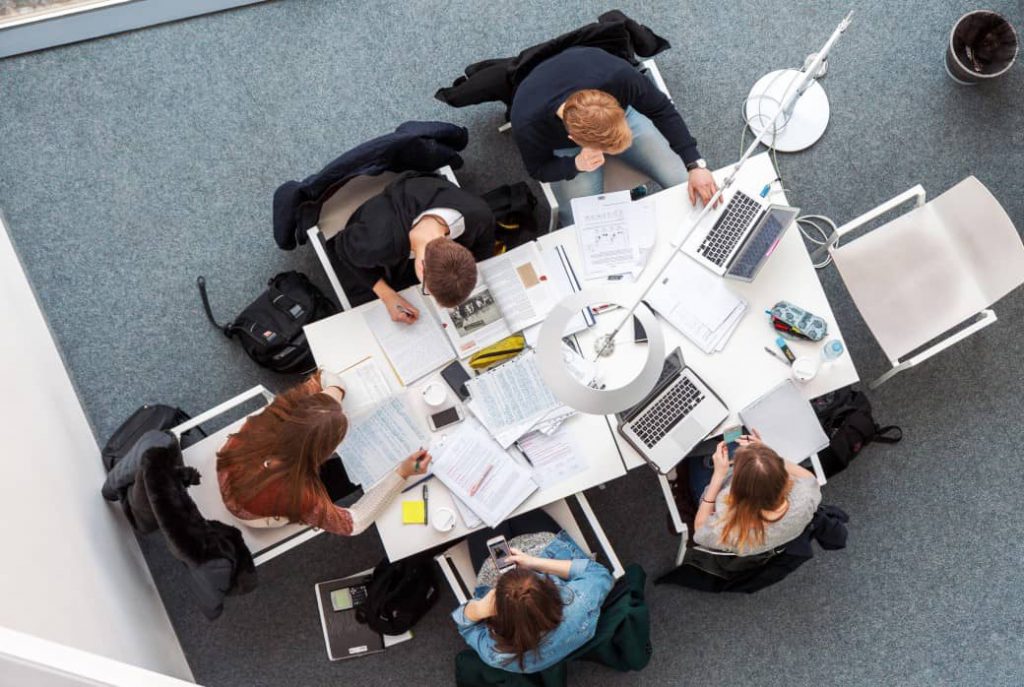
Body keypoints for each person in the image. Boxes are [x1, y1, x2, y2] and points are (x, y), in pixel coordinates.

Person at [509, 45, 720, 227]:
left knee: (689, 184)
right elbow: (538, 169)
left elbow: (662, 109)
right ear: (574, 138)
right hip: (565, 148)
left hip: (616, 113)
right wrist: (576, 164)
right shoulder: (527, 123)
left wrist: (694, 164)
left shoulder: (620, 77)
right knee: (581, 225)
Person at [216, 371, 430, 535]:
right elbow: (355, 523)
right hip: (254, 514)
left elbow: (326, 376)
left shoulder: (276, 415)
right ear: (322, 455)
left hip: (232, 464)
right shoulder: (300, 495)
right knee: (346, 477)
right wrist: (402, 472)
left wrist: (334, 393)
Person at [452, 510, 614, 673]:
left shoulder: (500, 655)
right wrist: (534, 563)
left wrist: (479, 609)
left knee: (483, 515)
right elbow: (598, 573)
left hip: (502, 565)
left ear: (499, 611)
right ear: (549, 589)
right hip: (544, 551)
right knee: (509, 505)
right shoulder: (580, 603)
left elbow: (466, 627)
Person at [330, 172, 495, 321]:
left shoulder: (480, 215)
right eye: (427, 290)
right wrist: (387, 295)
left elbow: (484, 246)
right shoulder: (375, 246)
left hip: (417, 194)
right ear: (422, 269)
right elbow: (340, 250)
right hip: (370, 231)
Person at [691, 430, 822, 555]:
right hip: (771, 537)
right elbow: (809, 477)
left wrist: (718, 476)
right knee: (736, 438)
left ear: (736, 489)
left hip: (712, 497)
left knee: (696, 446)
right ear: (783, 478)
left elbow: (700, 528)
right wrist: (766, 456)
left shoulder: (729, 529)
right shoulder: (806, 496)